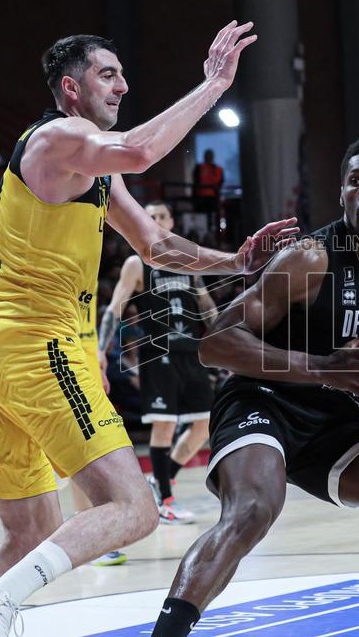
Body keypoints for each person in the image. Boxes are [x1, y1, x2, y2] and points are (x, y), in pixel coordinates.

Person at [0, 24, 299, 637]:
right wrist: (213, 85)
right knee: (132, 510)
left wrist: (234, 262)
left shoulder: (91, 164)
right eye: (109, 74)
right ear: (71, 88)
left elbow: (156, 245)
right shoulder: (58, 137)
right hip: (35, 344)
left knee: (27, 537)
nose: (124, 85)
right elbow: (138, 149)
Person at [151, 136, 359, 637]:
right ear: (341, 195)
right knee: (253, 510)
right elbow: (215, 343)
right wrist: (322, 367)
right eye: (356, 182)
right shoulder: (309, 259)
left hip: (334, 416)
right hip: (261, 400)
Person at [99, 201, 220, 524]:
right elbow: (114, 308)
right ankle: (165, 499)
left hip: (190, 352)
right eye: (149, 217)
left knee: (204, 424)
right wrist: (101, 347)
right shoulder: (136, 263)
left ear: (172, 221)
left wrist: (226, 339)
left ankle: (161, 479)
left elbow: (206, 306)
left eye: (161, 216)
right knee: (164, 425)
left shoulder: (187, 260)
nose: (155, 220)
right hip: (158, 354)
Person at [191, 148, 224, 216]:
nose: (209, 157)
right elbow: (195, 182)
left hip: (213, 198)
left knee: (213, 217)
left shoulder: (218, 169)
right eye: (207, 155)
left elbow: (221, 182)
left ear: (213, 157)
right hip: (200, 198)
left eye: (210, 155)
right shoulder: (199, 167)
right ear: (204, 156)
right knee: (201, 217)